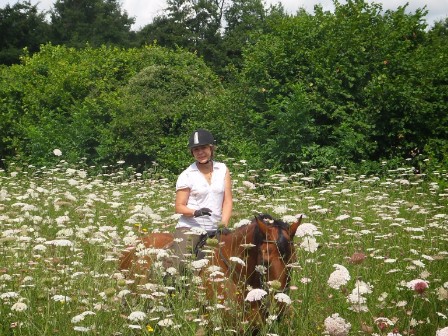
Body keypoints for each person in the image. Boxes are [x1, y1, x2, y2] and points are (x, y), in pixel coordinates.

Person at [173, 129, 233, 270]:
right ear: (192, 153)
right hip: (191, 227)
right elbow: (179, 206)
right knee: (181, 262)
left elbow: (227, 200)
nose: (200, 152)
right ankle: (170, 286)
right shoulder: (187, 175)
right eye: (196, 150)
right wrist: (196, 212)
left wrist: (223, 224)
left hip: (216, 227)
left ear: (211, 148)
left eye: (203, 148)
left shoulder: (222, 169)